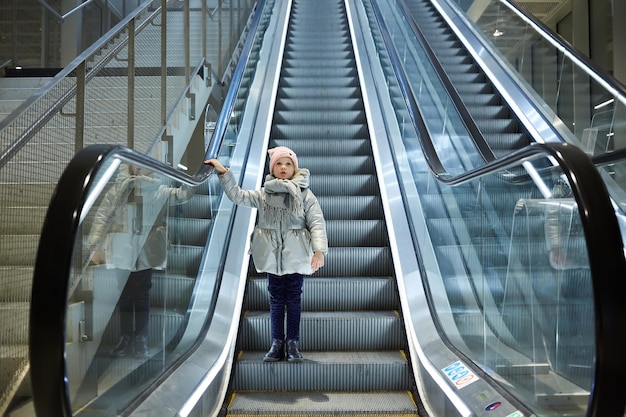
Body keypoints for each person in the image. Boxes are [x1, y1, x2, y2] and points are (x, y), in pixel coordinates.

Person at [204, 146, 328, 362]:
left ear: (295, 168)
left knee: (294, 300)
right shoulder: (264, 194)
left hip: (296, 255)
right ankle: (276, 343)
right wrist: (222, 171)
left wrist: (319, 251)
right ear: (272, 167)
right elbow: (238, 196)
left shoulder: (305, 195)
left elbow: (316, 223)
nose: (283, 167)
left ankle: (292, 344)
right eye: (279, 163)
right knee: (276, 301)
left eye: (288, 164)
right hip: (272, 258)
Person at [88, 164, 193, 358]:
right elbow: (103, 215)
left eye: (143, 166)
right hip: (122, 248)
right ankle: (126, 338)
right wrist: (95, 244)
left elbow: (182, 195)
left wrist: (188, 177)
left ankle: (140, 339)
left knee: (142, 293)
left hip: (145, 250)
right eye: (135, 165)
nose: (139, 169)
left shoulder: (157, 189)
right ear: (128, 167)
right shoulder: (119, 189)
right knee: (125, 294)